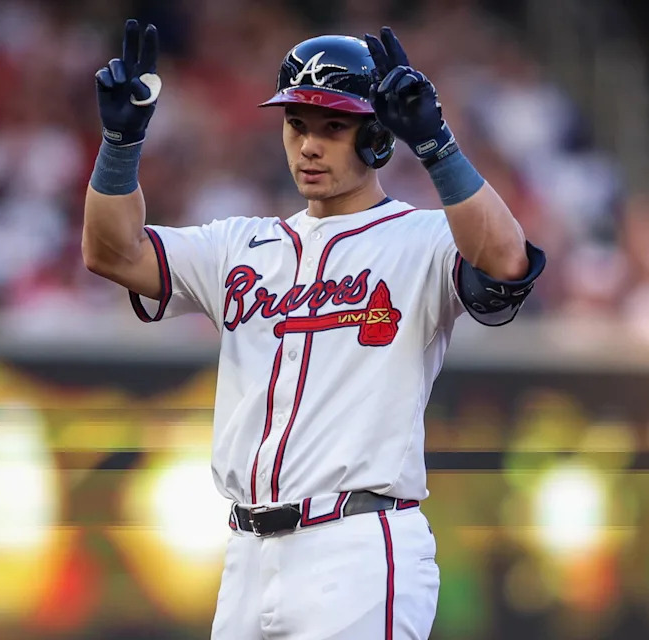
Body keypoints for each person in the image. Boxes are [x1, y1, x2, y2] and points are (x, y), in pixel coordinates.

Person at [83, 19, 546, 640]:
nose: (309, 146)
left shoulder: (423, 239)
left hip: (357, 546)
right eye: (297, 124)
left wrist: (437, 143)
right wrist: (119, 143)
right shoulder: (240, 245)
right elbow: (112, 252)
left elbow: (506, 262)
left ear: (378, 137)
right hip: (247, 554)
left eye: (334, 127)